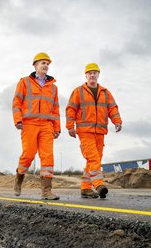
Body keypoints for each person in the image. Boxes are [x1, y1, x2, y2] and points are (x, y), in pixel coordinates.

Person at [66, 63, 122, 199]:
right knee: (93, 158)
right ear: (85, 75)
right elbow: (71, 109)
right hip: (85, 131)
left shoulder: (105, 92)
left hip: (100, 132)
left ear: (98, 75)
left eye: (95, 72)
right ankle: (98, 184)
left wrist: (117, 121)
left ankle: (85, 188)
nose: (92, 75)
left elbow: (112, 108)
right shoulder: (78, 91)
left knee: (92, 161)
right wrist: (70, 126)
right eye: (89, 72)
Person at [12, 52, 61, 200]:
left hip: (46, 126)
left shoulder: (53, 88)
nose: (46, 65)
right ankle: (19, 179)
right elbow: (16, 103)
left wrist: (57, 127)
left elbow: (55, 109)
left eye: (47, 63)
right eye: (43, 63)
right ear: (35, 65)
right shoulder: (24, 82)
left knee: (47, 157)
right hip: (29, 124)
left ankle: (47, 191)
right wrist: (18, 120)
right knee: (28, 155)